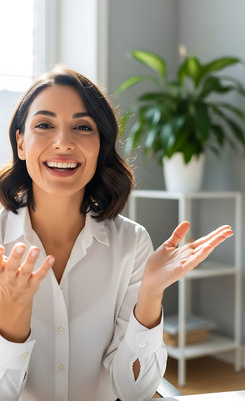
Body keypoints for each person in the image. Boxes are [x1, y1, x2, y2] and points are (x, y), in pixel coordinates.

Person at [0, 66, 233, 401]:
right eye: (45, 125)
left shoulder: (132, 243)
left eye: (82, 127)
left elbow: (135, 391)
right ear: (21, 142)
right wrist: (12, 321)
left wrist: (150, 295)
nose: (63, 142)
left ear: (101, 147)